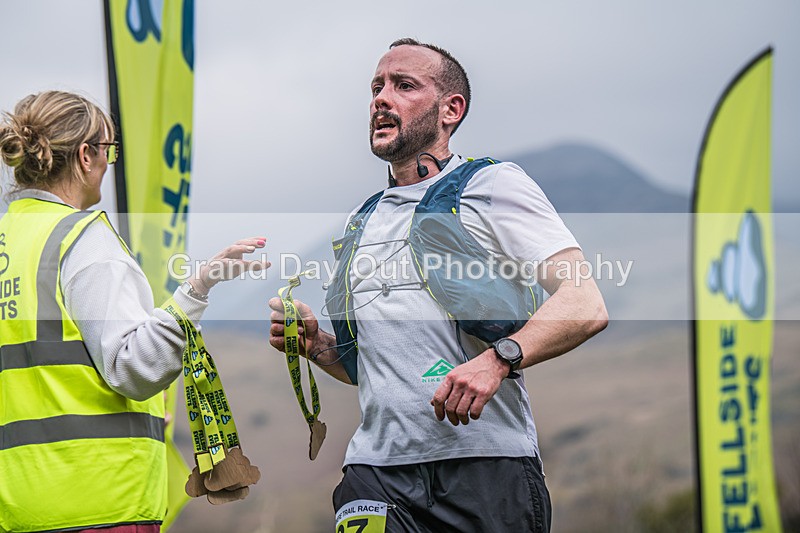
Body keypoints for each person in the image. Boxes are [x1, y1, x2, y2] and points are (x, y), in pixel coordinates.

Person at [269, 39, 608, 532]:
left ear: (452, 110)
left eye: (404, 86)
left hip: (488, 468)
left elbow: (585, 303)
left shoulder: (492, 185)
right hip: (375, 473)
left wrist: (498, 360)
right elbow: (368, 369)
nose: (381, 99)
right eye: (376, 87)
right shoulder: (362, 220)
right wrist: (316, 345)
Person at [0, 90, 268, 533]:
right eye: (109, 150)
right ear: (86, 155)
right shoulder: (82, 239)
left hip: (15, 507)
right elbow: (134, 368)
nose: (110, 163)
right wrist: (197, 289)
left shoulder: (11, 242)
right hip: (99, 502)